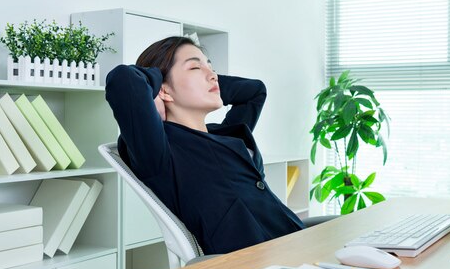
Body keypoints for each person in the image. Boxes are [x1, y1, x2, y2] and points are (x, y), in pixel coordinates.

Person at [104, 36, 305, 255]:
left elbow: (255, 91)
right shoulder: (162, 151)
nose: (213, 76)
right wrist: (157, 85)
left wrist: (203, 80)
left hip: (297, 247)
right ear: (163, 90)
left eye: (211, 67)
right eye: (194, 67)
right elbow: (123, 79)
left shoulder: (224, 134)